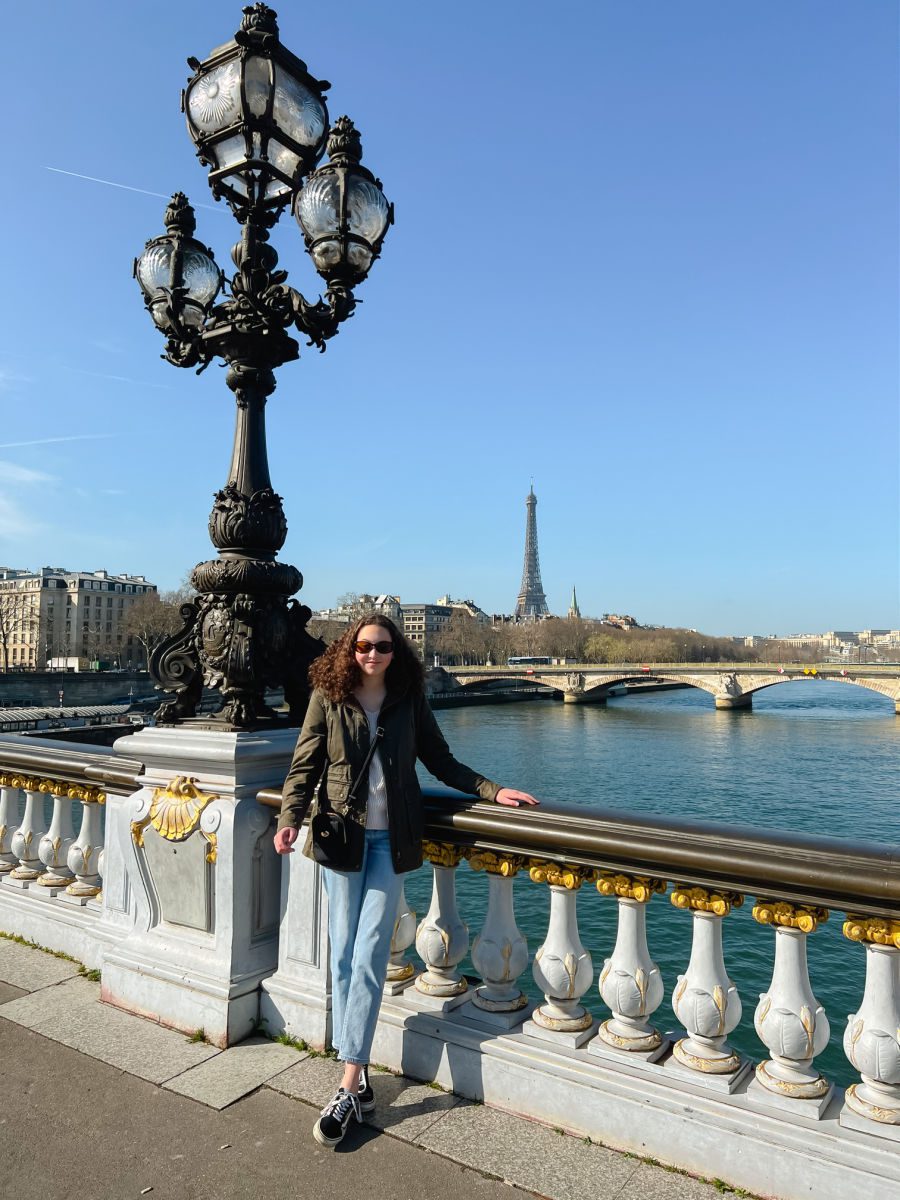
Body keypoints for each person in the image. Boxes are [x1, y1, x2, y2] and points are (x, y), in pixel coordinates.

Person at [274, 613, 538, 1148]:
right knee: (344, 956)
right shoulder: (328, 695)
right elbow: (305, 763)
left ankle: (349, 1080)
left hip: (389, 841)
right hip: (340, 837)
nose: (373, 654)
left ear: (398, 652)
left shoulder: (409, 698)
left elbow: (440, 761)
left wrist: (492, 790)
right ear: (350, 649)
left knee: (371, 950)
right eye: (365, 646)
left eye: (383, 647)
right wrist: (288, 818)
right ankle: (360, 1074)